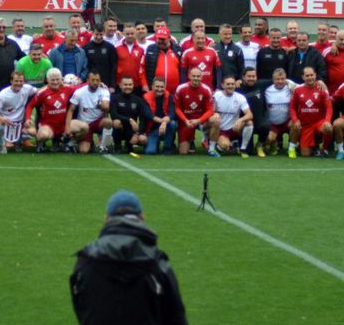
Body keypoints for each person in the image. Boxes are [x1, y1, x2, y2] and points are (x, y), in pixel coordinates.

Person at [70, 190, 187, 325]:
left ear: (106, 219)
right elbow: (176, 318)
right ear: (142, 218)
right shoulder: (157, 264)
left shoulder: (86, 261)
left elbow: (82, 311)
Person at [25, 68, 74, 153]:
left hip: (63, 125)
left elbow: (80, 87)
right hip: (48, 126)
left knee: (83, 127)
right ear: (47, 80)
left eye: (57, 79)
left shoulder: (67, 89)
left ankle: (67, 143)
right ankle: (40, 143)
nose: (55, 82)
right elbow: (30, 105)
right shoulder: (42, 92)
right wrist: (28, 119)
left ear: (61, 79)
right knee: (43, 135)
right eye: (52, 80)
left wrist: (99, 84)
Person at [288, 67, 333, 158]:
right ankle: (294, 148)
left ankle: (324, 149)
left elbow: (329, 107)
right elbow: (292, 107)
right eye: (307, 76)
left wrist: (327, 120)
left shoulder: (321, 88)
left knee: (328, 128)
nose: (310, 78)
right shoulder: (298, 89)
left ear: (315, 75)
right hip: (305, 125)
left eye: (311, 75)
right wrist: (295, 119)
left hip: (318, 122)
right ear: (303, 77)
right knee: (305, 154)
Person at [67, 70, 112, 154]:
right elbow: (71, 110)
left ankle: (103, 146)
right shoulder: (80, 92)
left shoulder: (104, 91)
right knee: (83, 151)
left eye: (97, 80)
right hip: (84, 124)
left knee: (108, 122)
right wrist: (67, 128)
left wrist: (101, 104)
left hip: (97, 123)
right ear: (87, 80)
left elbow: (106, 107)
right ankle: (72, 142)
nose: (95, 82)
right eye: (93, 80)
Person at [174, 67, 217, 155]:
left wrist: (199, 120)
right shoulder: (181, 88)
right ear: (189, 76)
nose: (196, 78)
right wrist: (185, 120)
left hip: (200, 120)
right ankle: (191, 140)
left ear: (201, 77)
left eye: (198, 76)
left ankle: (209, 142)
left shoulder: (206, 89)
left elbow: (210, 110)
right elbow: (177, 108)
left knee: (215, 120)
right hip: (186, 120)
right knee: (183, 152)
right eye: (194, 76)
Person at [0, 71, 37, 153]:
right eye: (16, 81)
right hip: (7, 122)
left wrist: (51, 84)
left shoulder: (27, 88)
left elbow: (40, 91)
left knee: (35, 132)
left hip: (20, 123)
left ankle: (19, 142)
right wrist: (2, 119)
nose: (19, 83)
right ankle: (2, 145)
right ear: (11, 81)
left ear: (23, 81)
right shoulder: (3, 94)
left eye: (21, 81)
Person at [209, 75, 253, 157]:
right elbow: (210, 111)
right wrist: (215, 113)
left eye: (232, 84)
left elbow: (250, 114)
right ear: (223, 85)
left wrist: (241, 120)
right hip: (221, 130)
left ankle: (243, 149)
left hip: (234, 128)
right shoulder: (217, 95)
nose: (230, 86)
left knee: (249, 122)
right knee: (224, 146)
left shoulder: (240, 97)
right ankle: (218, 143)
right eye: (228, 84)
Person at [110, 75, 150, 153]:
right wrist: (129, 120)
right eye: (125, 85)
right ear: (120, 85)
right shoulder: (115, 98)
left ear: (133, 85)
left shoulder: (138, 100)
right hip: (120, 128)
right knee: (116, 122)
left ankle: (129, 145)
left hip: (131, 129)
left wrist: (138, 133)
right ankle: (117, 146)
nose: (128, 87)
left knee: (143, 139)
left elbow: (142, 118)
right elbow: (113, 114)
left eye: (130, 85)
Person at [263, 68, 294, 157]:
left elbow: (306, 85)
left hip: (287, 121)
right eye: (277, 79)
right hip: (273, 123)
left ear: (286, 79)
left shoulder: (291, 87)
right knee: (270, 139)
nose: (280, 81)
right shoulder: (267, 91)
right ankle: (271, 144)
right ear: (273, 80)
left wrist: (320, 82)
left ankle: (292, 148)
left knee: (295, 125)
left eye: (282, 79)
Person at [141, 27, 182, 95]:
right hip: (154, 90)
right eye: (159, 38)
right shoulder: (150, 49)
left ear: (169, 38)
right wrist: (144, 84)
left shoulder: (177, 49)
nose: (160, 41)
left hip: (174, 92)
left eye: (163, 39)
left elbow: (182, 70)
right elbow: (142, 68)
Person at [142, 77, 177, 155]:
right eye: (157, 86)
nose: (159, 89)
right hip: (152, 129)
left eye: (162, 87)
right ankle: (153, 143)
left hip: (166, 127)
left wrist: (164, 123)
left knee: (173, 124)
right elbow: (148, 114)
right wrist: (162, 121)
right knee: (150, 152)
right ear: (152, 87)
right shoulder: (146, 97)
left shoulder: (169, 96)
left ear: (165, 87)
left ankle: (167, 148)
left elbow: (172, 113)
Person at [83, 23, 117, 87]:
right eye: (96, 34)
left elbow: (113, 67)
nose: (98, 37)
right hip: (91, 82)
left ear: (104, 33)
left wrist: (112, 85)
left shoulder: (110, 47)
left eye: (101, 34)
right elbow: (85, 67)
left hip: (106, 82)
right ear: (93, 33)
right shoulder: (86, 48)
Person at [115, 23, 145, 91]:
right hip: (120, 84)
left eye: (132, 33)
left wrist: (143, 83)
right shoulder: (117, 49)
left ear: (135, 34)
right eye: (127, 34)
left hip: (136, 84)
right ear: (124, 34)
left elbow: (142, 68)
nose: (130, 36)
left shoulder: (141, 50)